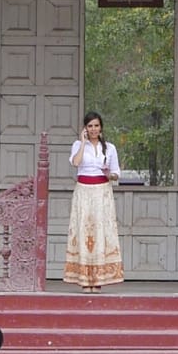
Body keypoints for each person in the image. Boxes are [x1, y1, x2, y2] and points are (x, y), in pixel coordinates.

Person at [65, 111, 124, 290]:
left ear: (101, 127)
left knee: (100, 232)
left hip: (102, 192)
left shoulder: (110, 148)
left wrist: (110, 175)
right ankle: (84, 280)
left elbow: (116, 173)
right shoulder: (77, 145)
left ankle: (98, 281)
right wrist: (83, 142)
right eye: (90, 126)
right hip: (83, 191)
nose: (93, 129)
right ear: (85, 128)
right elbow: (75, 163)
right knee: (83, 230)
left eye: (96, 126)